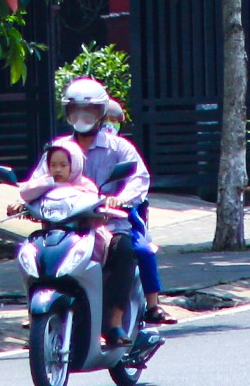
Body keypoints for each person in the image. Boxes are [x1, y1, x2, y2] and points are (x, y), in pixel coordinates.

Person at [55, 76, 173, 330]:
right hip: (68, 223)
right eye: (75, 110)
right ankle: (39, 308)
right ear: (67, 112)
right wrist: (24, 199)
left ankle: (116, 319)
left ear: (100, 113)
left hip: (111, 223)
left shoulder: (120, 147)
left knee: (127, 250)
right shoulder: (59, 147)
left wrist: (120, 199)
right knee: (40, 249)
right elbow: (41, 178)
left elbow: (139, 178)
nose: (81, 117)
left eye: (88, 111)